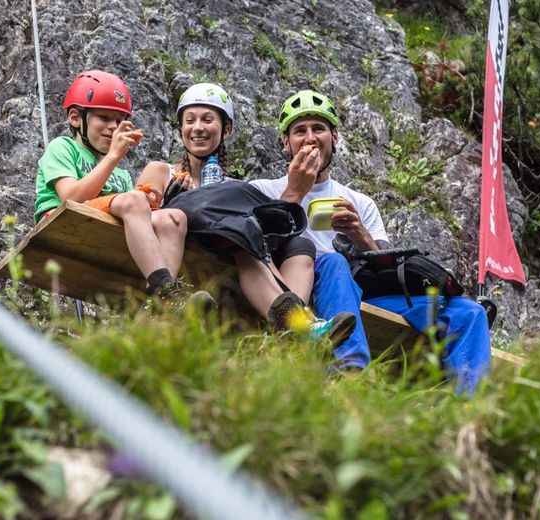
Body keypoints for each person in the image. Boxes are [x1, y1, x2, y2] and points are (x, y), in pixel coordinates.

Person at [250, 89, 491, 392]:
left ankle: (472, 410)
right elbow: (255, 245)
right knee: (332, 260)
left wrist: (359, 234)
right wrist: (295, 192)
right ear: (286, 142)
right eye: (300, 131)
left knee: (469, 313)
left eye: (319, 129)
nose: (310, 138)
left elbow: (384, 265)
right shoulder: (264, 190)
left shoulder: (358, 201)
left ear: (334, 137)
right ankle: (349, 372)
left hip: (360, 292)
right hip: (297, 288)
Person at [142, 83, 355, 342]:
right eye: (190, 120)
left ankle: (293, 327)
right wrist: (172, 200)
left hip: (230, 248)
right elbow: (141, 211)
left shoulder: (233, 187)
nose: (197, 127)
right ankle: (299, 325)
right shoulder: (162, 170)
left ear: (226, 129)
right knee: (242, 234)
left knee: (299, 244)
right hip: (180, 244)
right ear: (182, 129)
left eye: (207, 120)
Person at [34, 69, 198, 303]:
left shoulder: (120, 174)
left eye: (120, 121)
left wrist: (154, 200)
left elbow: (127, 209)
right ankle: (164, 287)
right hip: (61, 218)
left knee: (174, 218)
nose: (113, 126)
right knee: (133, 200)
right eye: (104, 117)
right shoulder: (63, 147)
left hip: (103, 223)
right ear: (75, 117)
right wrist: (113, 157)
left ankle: (162, 302)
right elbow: (71, 198)